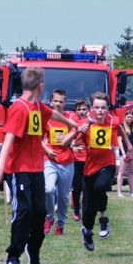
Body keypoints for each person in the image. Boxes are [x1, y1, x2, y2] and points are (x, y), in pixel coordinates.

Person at [0, 67, 80, 264]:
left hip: (37, 168)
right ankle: (13, 256)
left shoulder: (37, 105)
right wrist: (0, 169)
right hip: (20, 170)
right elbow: (8, 139)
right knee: (23, 211)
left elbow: (52, 113)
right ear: (41, 86)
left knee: (40, 212)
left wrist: (71, 122)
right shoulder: (19, 108)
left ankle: (33, 249)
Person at [62, 91, 132, 251]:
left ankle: (104, 220)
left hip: (107, 164)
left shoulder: (113, 121)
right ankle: (87, 231)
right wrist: (77, 133)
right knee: (88, 208)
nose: (100, 111)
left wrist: (129, 147)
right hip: (89, 168)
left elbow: (121, 130)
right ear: (91, 108)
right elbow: (66, 142)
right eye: (97, 108)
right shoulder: (86, 123)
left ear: (108, 108)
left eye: (103, 108)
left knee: (101, 187)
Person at [42, 89, 75, 236]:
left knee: (63, 196)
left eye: (61, 101)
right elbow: (38, 138)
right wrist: (46, 150)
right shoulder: (46, 117)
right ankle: (49, 217)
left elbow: (77, 134)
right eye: (56, 101)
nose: (58, 104)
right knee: (48, 189)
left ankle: (60, 223)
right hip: (50, 159)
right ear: (51, 102)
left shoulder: (70, 117)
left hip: (67, 161)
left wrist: (73, 142)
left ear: (65, 103)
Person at [70, 98, 89, 221]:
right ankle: (76, 208)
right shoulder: (72, 121)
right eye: (79, 109)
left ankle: (86, 210)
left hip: (89, 158)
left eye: (83, 109)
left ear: (88, 110)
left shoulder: (91, 121)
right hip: (76, 159)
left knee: (86, 187)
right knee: (76, 187)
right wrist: (72, 146)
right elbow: (67, 138)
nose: (81, 112)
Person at [116, 109, 133, 197]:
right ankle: (119, 192)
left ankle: (132, 192)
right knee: (121, 172)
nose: (129, 119)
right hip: (124, 153)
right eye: (128, 117)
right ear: (125, 118)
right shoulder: (121, 127)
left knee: (132, 172)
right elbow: (119, 141)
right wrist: (123, 153)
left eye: (131, 117)